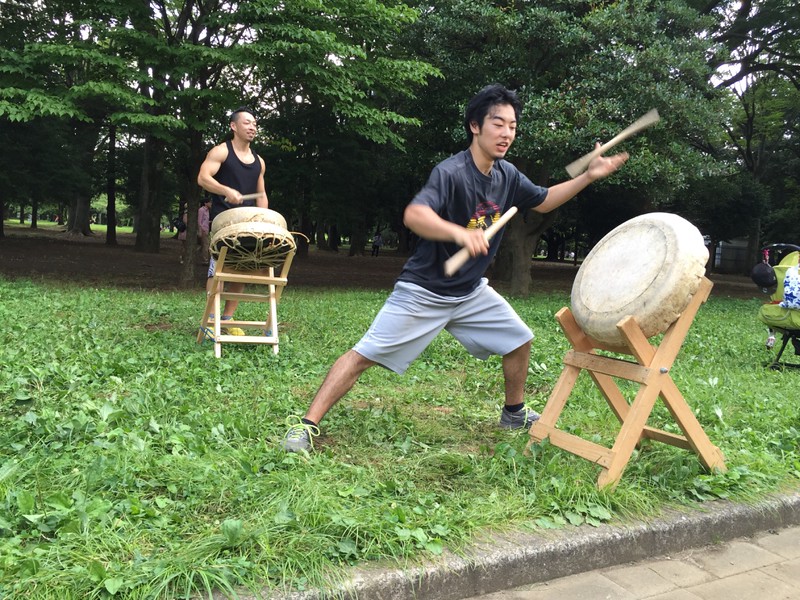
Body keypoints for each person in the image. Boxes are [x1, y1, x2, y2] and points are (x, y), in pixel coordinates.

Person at [282, 84, 629, 452]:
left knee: (519, 339)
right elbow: (415, 215)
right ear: (475, 126)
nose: (507, 133)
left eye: (512, 126)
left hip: (469, 291)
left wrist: (587, 176)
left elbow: (543, 201)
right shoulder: (451, 172)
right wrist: (459, 234)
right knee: (363, 355)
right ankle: (306, 426)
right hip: (424, 289)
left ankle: (513, 412)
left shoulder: (508, 175)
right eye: (498, 124)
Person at [197, 107, 268, 333]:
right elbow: (203, 178)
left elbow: (261, 195)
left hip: (248, 224)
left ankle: (227, 320)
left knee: (242, 269)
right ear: (233, 126)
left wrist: (264, 220)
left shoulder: (259, 161)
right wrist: (225, 189)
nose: (252, 127)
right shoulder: (221, 152)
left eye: (254, 123)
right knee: (218, 270)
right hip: (224, 222)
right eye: (247, 123)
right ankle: (210, 320)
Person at [198, 197, 211, 264]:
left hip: (207, 229)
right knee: (206, 245)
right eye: (209, 202)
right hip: (203, 230)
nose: (211, 203)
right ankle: (205, 260)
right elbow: (199, 221)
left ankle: (204, 258)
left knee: (206, 245)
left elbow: (205, 221)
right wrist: (201, 230)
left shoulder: (207, 210)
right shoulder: (201, 210)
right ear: (205, 203)